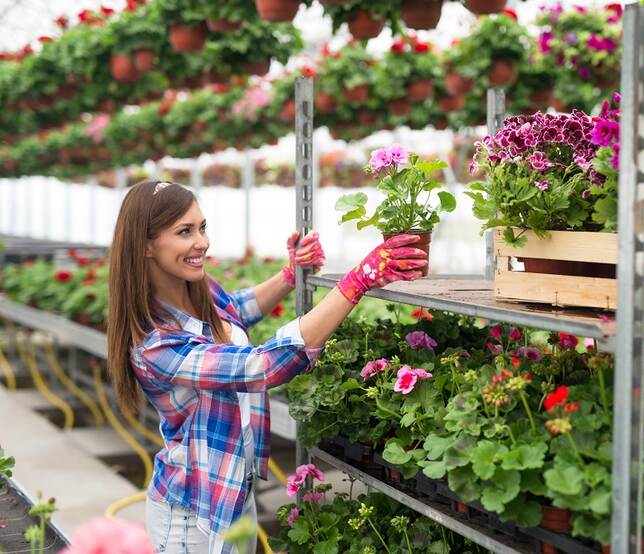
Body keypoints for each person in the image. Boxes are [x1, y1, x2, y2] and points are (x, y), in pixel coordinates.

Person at [105, 180, 427, 554]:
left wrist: (290, 274)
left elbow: (234, 312)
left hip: (232, 489)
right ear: (145, 245)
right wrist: (357, 281)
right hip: (193, 512)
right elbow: (261, 367)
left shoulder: (197, 290)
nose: (202, 242)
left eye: (202, 227)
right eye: (184, 232)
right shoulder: (156, 343)